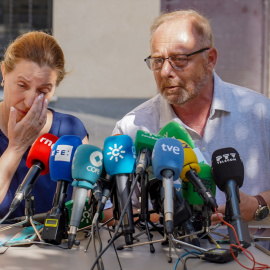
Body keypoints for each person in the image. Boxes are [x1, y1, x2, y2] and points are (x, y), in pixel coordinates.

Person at [112, 10, 270, 224]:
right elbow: (111, 213)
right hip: (165, 255)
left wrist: (259, 205)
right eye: (158, 61)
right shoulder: (131, 128)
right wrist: (171, 220)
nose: (166, 71)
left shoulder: (260, 112)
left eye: (179, 59)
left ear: (210, 59)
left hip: (253, 253)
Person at [0, 31, 89, 219]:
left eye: (43, 91)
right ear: (4, 73)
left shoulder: (70, 131)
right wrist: (17, 146)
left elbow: (82, 214)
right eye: (22, 85)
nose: (30, 101)